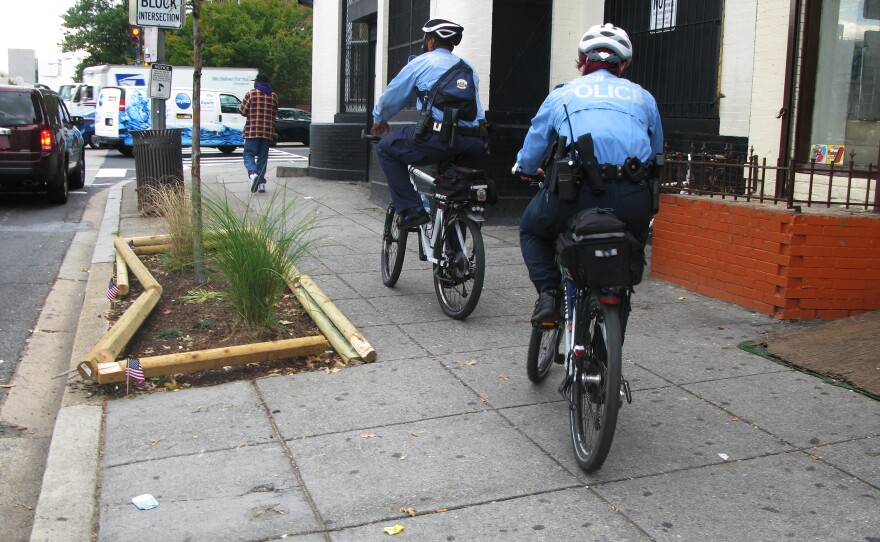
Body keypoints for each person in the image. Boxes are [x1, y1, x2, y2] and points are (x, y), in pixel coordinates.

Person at [513, 23, 663, 323]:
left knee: (531, 229)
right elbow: (657, 151)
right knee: (627, 247)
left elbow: (535, 145)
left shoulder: (563, 94)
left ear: (583, 62)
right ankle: (615, 315)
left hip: (574, 192)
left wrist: (527, 168)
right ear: (622, 64)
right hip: (632, 195)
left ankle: (548, 295)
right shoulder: (643, 98)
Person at [370, 18, 488, 230]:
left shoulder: (421, 63)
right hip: (472, 144)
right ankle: (454, 255)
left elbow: (391, 99)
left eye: (425, 39)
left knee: (386, 148)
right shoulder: (469, 69)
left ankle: (411, 211)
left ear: (431, 41)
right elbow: (478, 111)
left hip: (435, 140)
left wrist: (379, 120)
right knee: (456, 193)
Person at [240, 73, 279, 193]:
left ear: (257, 82)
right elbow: (275, 113)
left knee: (248, 155)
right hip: (267, 132)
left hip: (252, 131)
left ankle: (253, 173)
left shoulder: (251, 94)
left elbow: (242, 111)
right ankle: (261, 184)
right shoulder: (273, 96)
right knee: (263, 157)